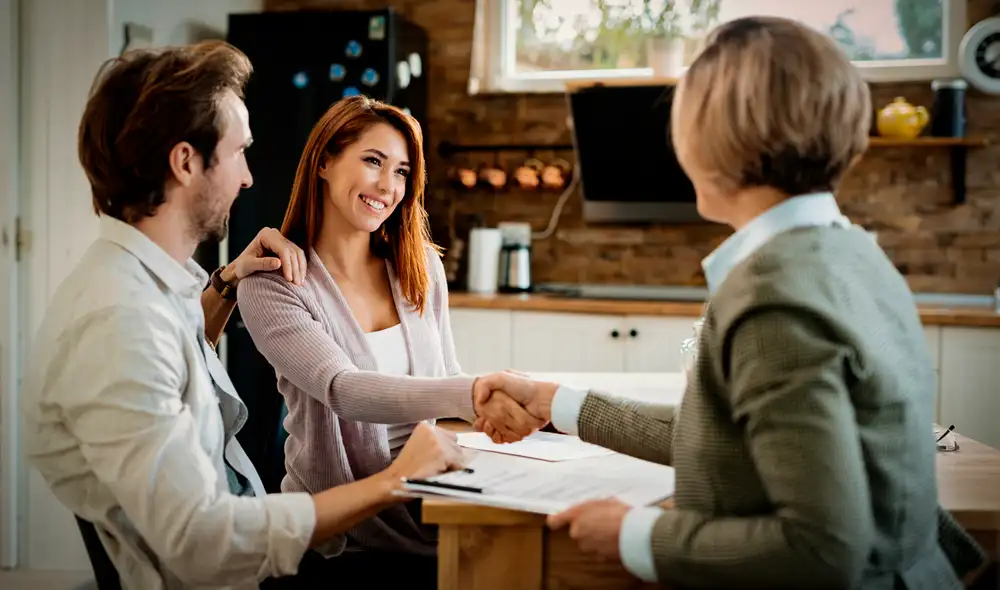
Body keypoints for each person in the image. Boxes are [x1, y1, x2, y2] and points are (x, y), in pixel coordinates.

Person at [474, 17, 987, 590]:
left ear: (711, 139)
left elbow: (821, 550)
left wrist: (636, 535)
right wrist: (556, 403)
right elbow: (727, 436)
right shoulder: (853, 253)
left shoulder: (775, 297)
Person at [20, 41, 470, 590]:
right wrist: (394, 481)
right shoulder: (121, 322)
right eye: (239, 152)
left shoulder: (147, 290)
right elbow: (204, 543)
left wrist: (228, 281)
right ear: (186, 162)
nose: (249, 177)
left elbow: (186, 363)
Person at [235, 95, 544, 586]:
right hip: (339, 540)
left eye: (401, 171)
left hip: (430, 510)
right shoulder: (274, 285)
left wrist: (518, 408)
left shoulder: (419, 266)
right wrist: (473, 392)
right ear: (324, 162)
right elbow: (344, 389)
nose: (387, 186)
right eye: (373, 161)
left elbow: (444, 385)